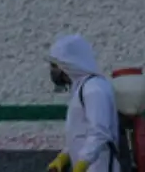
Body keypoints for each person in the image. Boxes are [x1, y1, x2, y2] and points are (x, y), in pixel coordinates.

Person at [45, 33, 121, 172]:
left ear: (69, 63)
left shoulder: (94, 88)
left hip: (100, 167)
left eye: (55, 65)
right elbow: (80, 132)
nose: (52, 71)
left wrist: (83, 163)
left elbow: (100, 133)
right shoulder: (82, 88)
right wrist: (64, 156)